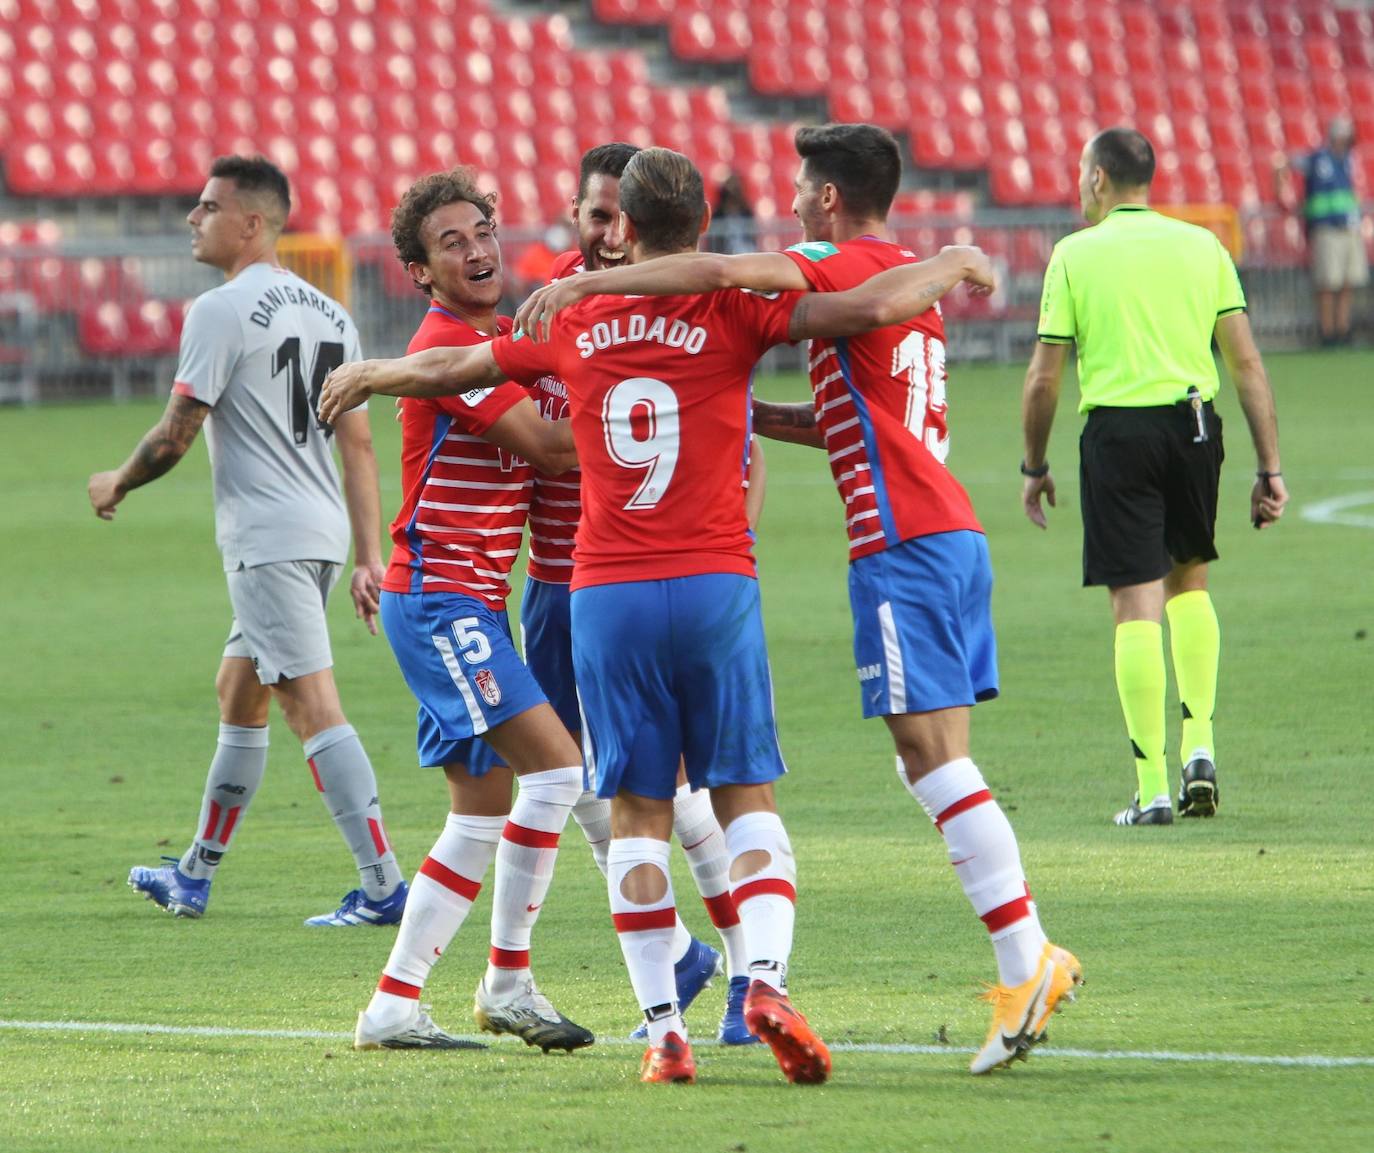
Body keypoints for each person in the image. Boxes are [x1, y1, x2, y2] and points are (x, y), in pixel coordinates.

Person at [318, 146, 998, 1085]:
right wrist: (954, 263)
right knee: (728, 797)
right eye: (456, 240)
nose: (481, 250)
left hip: (601, 591)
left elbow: (464, 368)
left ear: (625, 228)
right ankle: (757, 977)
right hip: (697, 581)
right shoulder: (734, 305)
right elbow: (863, 309)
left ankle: (658, 1024)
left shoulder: (575, 310)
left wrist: (377, 372)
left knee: (630, 807)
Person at [514, 123, 1079, 1077]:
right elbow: (857, 413)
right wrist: (749, 412)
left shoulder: (845, 259)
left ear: (825, 199)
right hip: (936, 530)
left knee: (932, 762)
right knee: (925, 761)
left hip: (903, 540)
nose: (785, 206)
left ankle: (1028, 959)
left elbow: (732, 271)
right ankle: (1023, 958)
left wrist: (590, 280)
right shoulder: (888, 261)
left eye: (796, 189)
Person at [87, 155, 408, 927]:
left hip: (268, 535)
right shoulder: (332, 313)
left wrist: (119, 481)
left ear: (252, 222)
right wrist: (368, 552)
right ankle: (195, 872)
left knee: (311, 705)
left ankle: (385, 886)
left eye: (207, 206)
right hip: (321, 529)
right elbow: (359, 443)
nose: (192, 219)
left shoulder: (221, 310)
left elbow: (175, 433)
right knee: (241, 691)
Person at [350, 168, 594, 1053]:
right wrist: (655, 399)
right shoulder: (449, 345)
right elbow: (552, 447)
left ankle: (393, 1005)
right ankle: (508, 982)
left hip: (468, 600)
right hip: (445, 597)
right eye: (449, 243)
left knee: (479, 814)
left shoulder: (492, 335)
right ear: (420, 271)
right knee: (561, 773)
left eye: (482, 230)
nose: (476, 248)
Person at [530, 142, 758, 1047]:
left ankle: (719, 976)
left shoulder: (666, 301)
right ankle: (683, 962)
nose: (601, 234)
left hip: (625, 578)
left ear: (632, 223)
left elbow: (739, 445)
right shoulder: (556, 299)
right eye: (588, 217)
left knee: (642, 791)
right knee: (592, 786)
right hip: (558, 586)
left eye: (610, 217)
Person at [1021, 127, 1288, 827]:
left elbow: (1044, 377)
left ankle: (1153, 788)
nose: (1080, 183)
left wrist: (1035, 464)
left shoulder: (1075, 255)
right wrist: (1269, 466)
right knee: (1189, 582)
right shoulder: (1203, 247)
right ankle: (1200, 747)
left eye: (1083, 171)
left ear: (1102, 178)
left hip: (1118, 432)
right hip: (1195, 426)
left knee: (1133, 606)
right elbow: (1247, 363)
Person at [1274, 117, 1367, 346]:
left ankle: (1343, 329)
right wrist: (1282, 196)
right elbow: (1281, 165)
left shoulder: (1349, 160)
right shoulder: (1316, 159)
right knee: (1327, 283)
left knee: (1347, 282)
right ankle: (1327, 332)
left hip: (1349, 227)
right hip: (1326, 229)